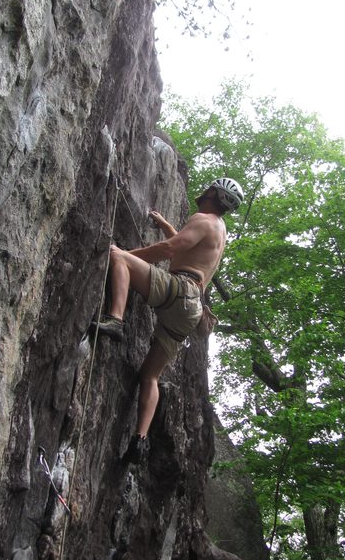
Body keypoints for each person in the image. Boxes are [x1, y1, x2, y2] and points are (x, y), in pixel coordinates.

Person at [92, 177, 244, 463]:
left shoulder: (203, 218)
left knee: (118, 258)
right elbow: (186, 247)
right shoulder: (219, 229)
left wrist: (127, 255)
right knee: (150, 375)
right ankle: (140, 439)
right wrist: (164, 225)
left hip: (179, 291)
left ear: (213, 192)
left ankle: (115, 320)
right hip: (190, 310)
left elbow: (169, 250)